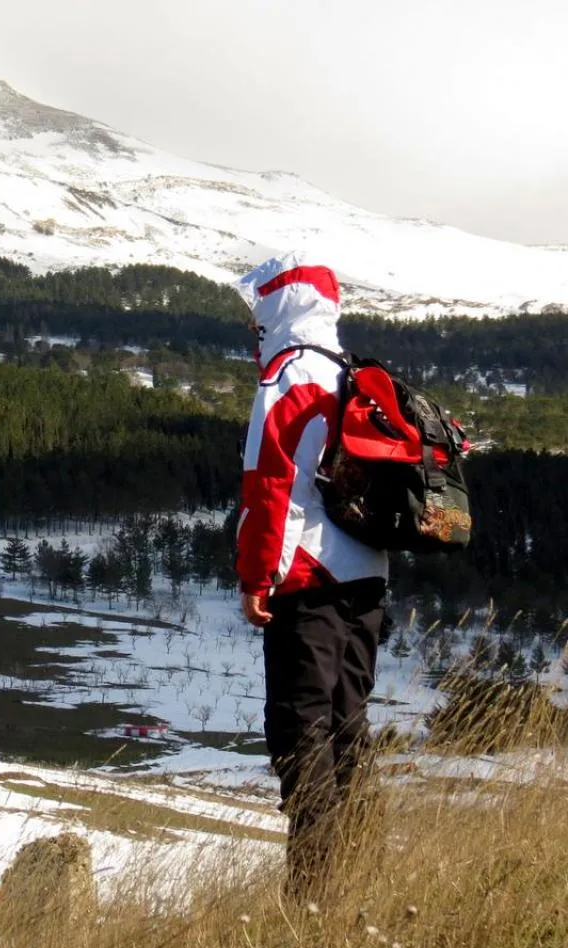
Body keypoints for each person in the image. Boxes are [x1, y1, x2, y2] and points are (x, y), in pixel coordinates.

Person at [234, 252, 388, 900]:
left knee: (301, 734)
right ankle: (365, 874)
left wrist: (256, 579)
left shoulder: (286, 374)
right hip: (369, 580)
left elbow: (271, 489)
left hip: (308, 583)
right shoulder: (347, 373)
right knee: (349, 727)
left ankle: (314, 894)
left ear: (277, 306)